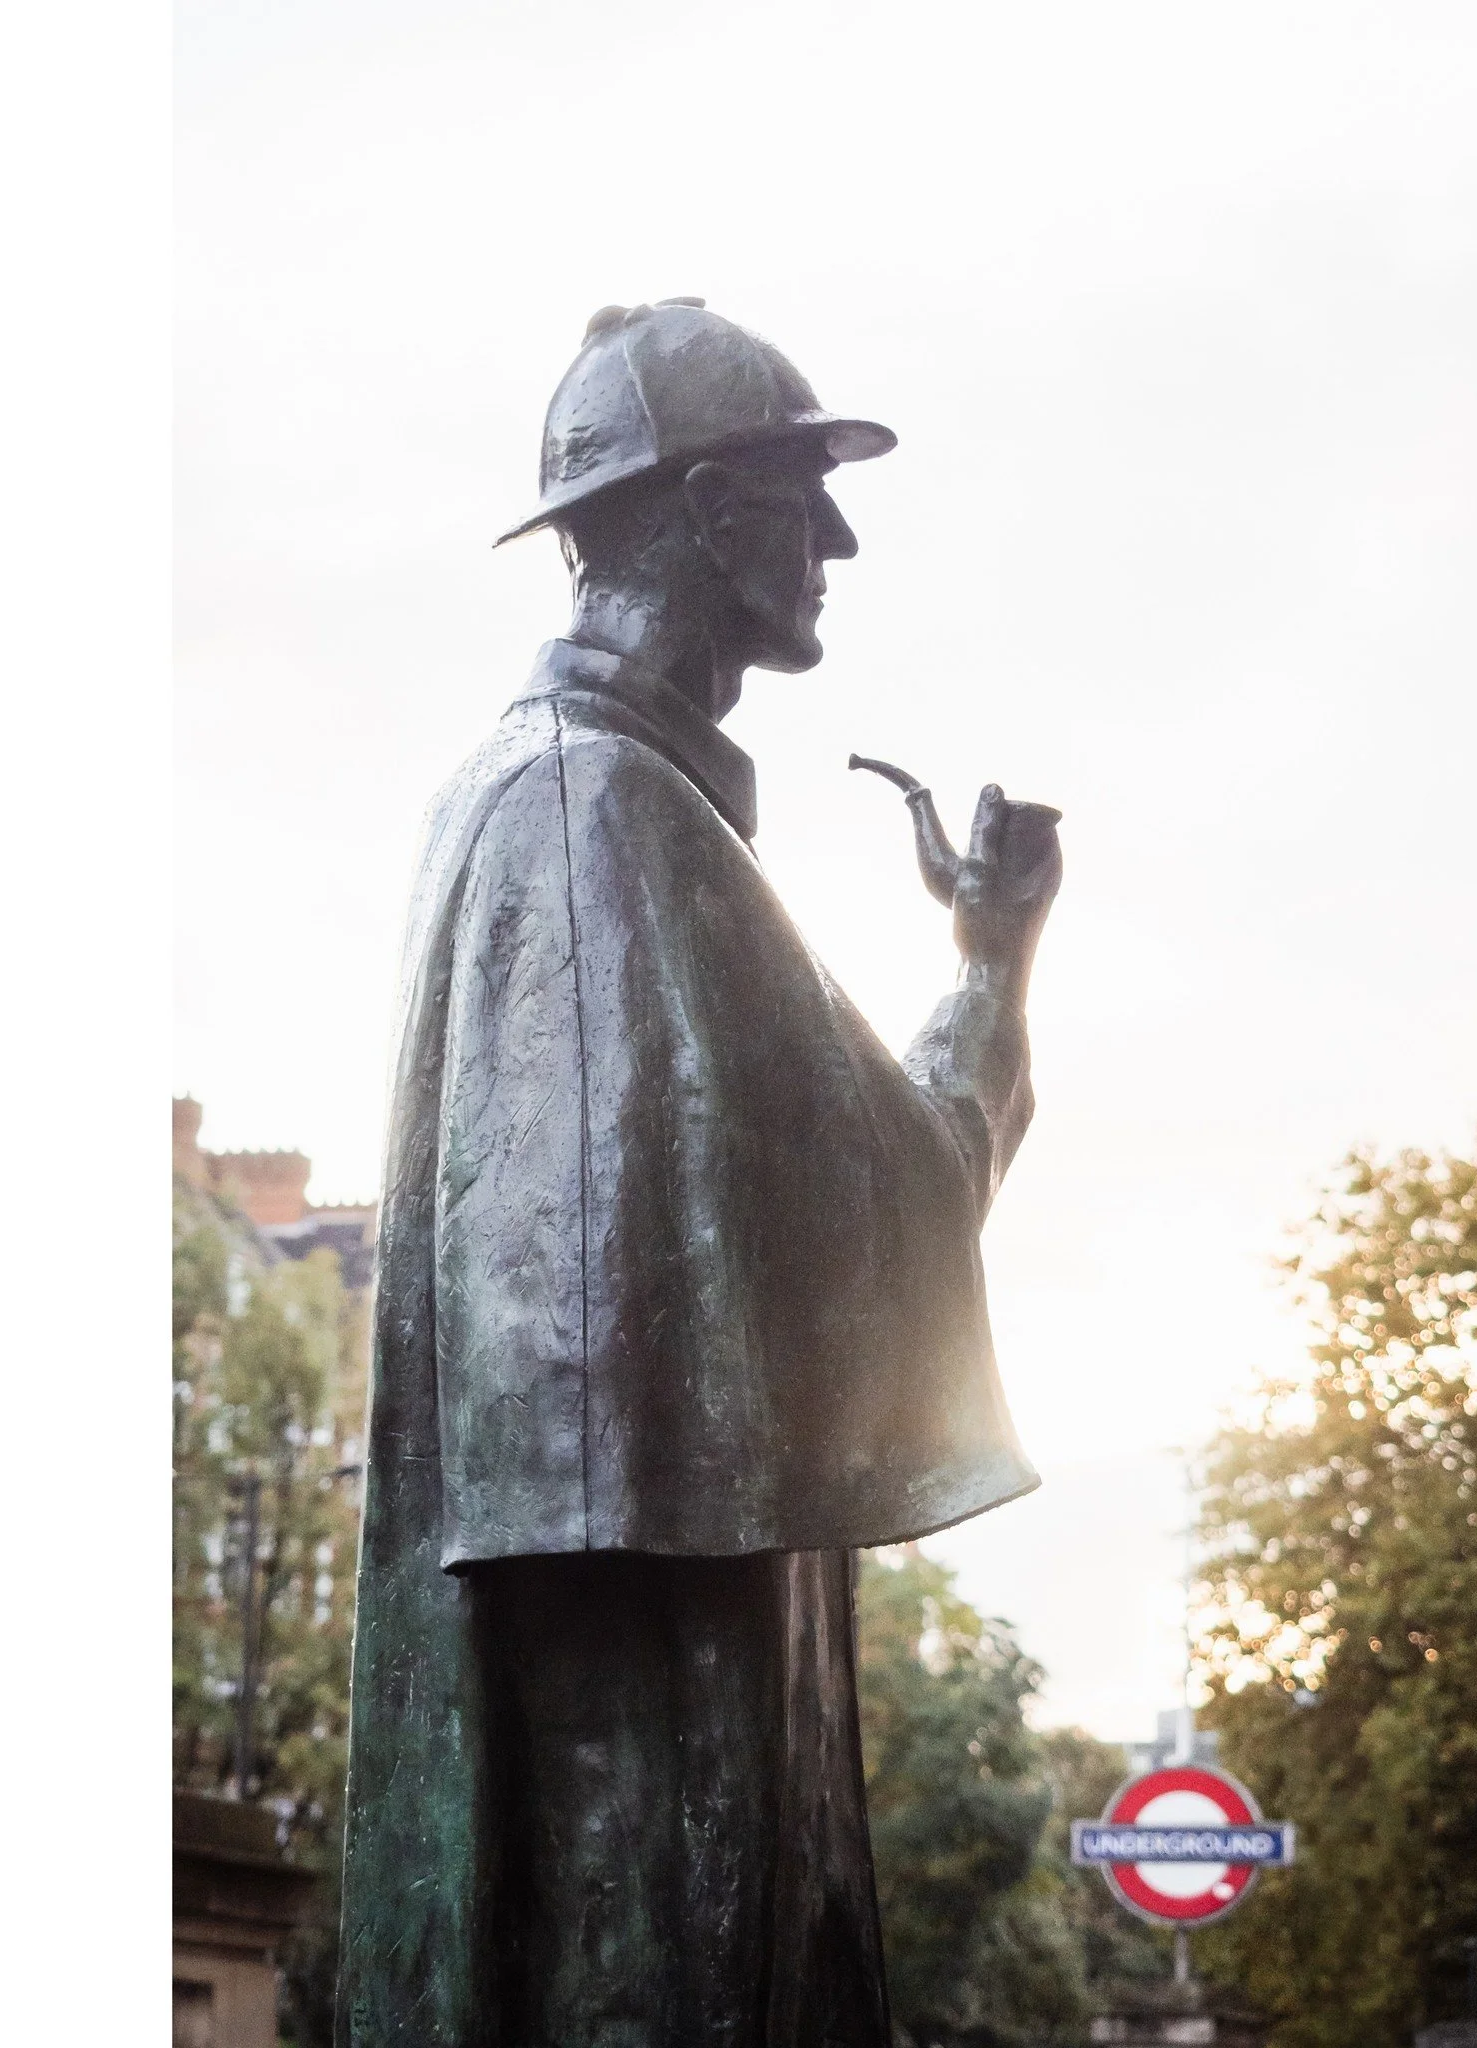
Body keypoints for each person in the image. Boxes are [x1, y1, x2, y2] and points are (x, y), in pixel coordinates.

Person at [334, 300, 1063, 2047]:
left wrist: (988, 968)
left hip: (703, 1666)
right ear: (696, 509)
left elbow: (892, 1190)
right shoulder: (589, 813)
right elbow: (573, 1425)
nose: (835, 541)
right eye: (800, 491)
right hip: (644, 1726)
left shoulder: (616, 813)